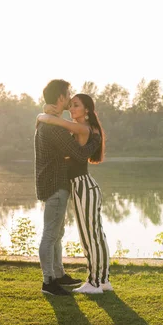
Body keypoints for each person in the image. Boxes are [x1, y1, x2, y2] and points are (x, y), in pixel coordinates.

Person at [38, 93, 111, 294]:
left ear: (87, 110)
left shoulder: (83, 127)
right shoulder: (90, 128)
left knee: (90, 238)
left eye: (76, 106)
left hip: (82, 186)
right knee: (97, 235)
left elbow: (53, 121)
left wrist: (41, 116)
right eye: (70, 106)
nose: (72, 109)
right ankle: (103, 280)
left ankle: (94, 283)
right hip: (85, 186)